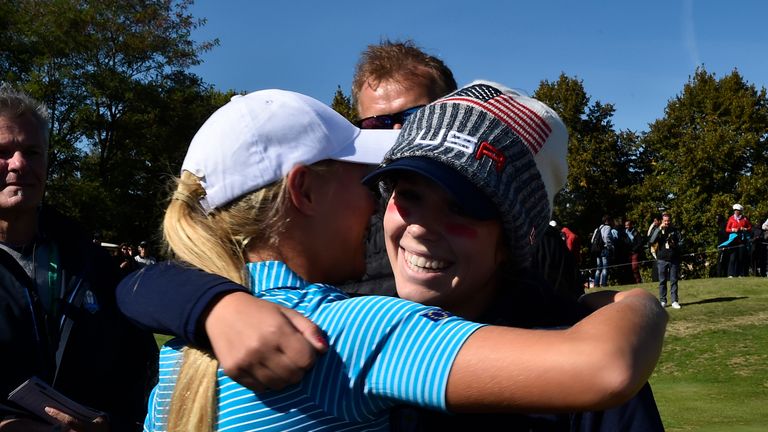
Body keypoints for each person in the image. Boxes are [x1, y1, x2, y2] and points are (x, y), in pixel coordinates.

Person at [135, 87, 666, 431]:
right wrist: (641, 303)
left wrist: (208, 305)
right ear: (304, 192)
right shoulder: (360, 326)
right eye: (403, 193)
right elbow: (606, 365)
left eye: (462, 206)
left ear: (512, 238)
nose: (417, 225)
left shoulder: (179, 355)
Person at [0, 84, 158, 431]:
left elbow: (139, 367)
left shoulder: (87, 258)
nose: (19, 164)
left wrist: (111, 423)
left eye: (32, 151)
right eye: (3, 152)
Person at [348, 39, 458, 296]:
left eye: (415, 117)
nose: (397, 132)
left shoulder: (500, 211)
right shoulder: (344, 226)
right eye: (377, 124)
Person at [648, 213, 682, 309]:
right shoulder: (658, 230)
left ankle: (674, 301)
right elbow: (651, 241)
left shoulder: (674, 230)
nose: (667, 222)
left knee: (674, 281)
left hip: (673, 259)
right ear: (662, 221)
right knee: (662, 281)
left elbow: (681, 241)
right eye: (665, 221)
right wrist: (659, 229)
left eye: (668, 220)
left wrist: (676, 244)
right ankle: (663, 301)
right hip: (662, 259)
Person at [725, 203, 752, 277]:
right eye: (735, 210)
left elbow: (750, 227)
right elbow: (727, 229)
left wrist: (745, 229)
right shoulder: (731, 218)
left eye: (738, 210)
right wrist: (733, 229)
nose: (736, 212)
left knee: (741, 258)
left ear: (741, 211)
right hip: (733, 240)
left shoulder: (744, 219)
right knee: (733, 257)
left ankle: (740, 274)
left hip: (741, 240)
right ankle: (730, 274)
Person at [592, 215, 615, 287]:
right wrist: (609, 246)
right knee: (605, 267)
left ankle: (596, 284)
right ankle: (603, 283)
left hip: (597, 250)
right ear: (607, 220)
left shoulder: (597, 228)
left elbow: (592, 240)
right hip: (604, 249)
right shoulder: (607, 227)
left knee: (598, 267)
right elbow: (606, 237)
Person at [624, 219, 644, 284]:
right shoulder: (625, 233)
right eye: (625, 225)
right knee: (629, 268)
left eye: (627, 225)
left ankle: (638, 281)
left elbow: (640, 243)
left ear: (631, 225)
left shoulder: (636, 232)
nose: (626, 227)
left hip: (634, 252)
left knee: (634, 267)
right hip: (628, 253)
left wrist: (634, 249)